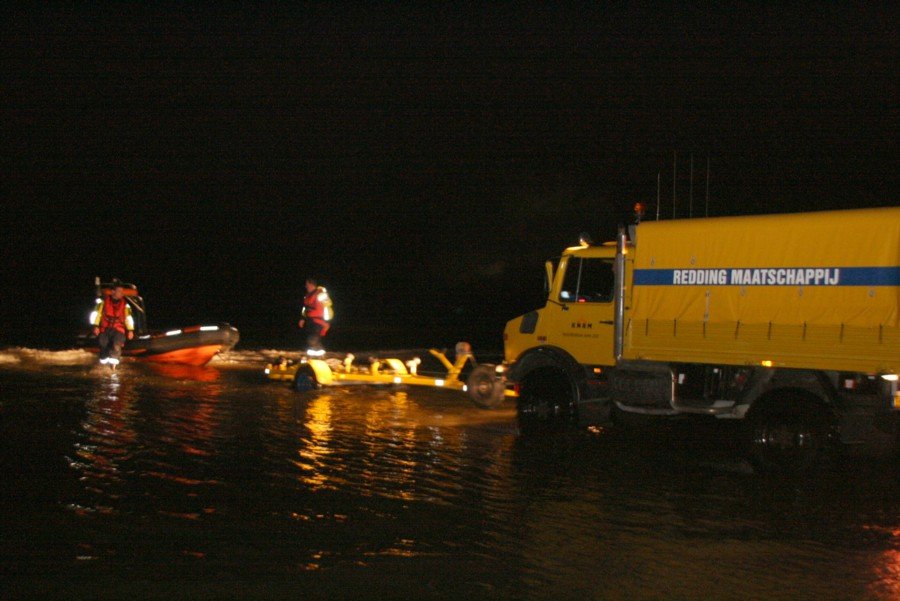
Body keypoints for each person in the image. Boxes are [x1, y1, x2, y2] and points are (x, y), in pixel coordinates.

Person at [90, 280, 135, 367]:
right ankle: (103, 364)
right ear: (113, 292)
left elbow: (128, 318)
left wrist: (130, 330)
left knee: (116, 345)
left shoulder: (125, 305)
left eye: (122, 291)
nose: (122, 293)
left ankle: (113, 367)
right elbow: (96, 314)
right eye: (119, 291)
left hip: (119, 329)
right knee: (103, 344)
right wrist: (95, 326)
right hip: (105, 328)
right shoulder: (102, 303)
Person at [298, 278, 332, 356]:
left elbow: (327, 306)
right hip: (310, 320)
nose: (306, 286)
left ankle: (318, 355)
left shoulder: (320, 294)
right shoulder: (307, 296)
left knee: (313, 339)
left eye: (307, 284)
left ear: (311, 284)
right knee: (311, 339)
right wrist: (302, 319)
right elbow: (305, 308)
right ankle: (315, 356)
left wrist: (327, 322)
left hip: (319, 321)